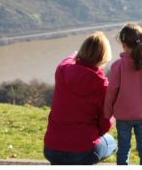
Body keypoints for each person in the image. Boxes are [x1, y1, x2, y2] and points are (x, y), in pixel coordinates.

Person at [43, 32, 117, 165]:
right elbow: (105, 123)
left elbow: (68, 59)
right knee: (112, 143)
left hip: (51, 148)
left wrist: (76, 54)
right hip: (82, 151)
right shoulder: (103, 86)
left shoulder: (62, 70)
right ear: (104, 57)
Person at [104, 24, 142, 165]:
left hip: (123, 116)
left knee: (124, 148)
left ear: (123, 44)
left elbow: (112, 91)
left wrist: (107, 112)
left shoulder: (118, 66)